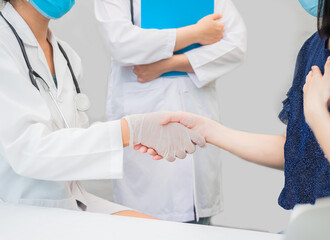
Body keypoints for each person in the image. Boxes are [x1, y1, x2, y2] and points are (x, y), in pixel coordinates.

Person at [0, 0, 206, 218]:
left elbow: (70, 172)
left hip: (69, 206)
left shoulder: (66, 56)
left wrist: (133, 132)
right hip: (16, 212)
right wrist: (129, 131)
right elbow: (29, 152)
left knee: (153, 226)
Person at [160, 0, 330, 210]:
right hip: (309, 223)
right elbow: (296, 150)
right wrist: (209, 130)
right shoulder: (313, 49)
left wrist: (316, 112)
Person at [95, 0, 247, 224]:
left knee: (200, 222)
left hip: (197, 112)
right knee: (144, 221)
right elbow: (122, 43)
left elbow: (236, 45)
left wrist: (170, 64)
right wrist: (196, 33)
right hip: (146, 114)